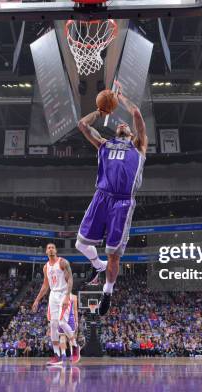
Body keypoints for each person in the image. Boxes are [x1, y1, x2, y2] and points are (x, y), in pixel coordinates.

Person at [75, 84, 148, 315]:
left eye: (126, 126)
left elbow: (136, 113)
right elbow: (83, 125)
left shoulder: (138, 145)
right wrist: (101, 110)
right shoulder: (104, 144)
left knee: (113, 254)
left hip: (123, 202)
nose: (123, 125)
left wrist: (120, 97)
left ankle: (107, 291)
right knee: (80, 243)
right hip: (101, 196)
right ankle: (97, 266)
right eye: (120, 125)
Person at [32, 243, 80, 366]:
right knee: (53, 324)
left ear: (56, 250)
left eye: (53, 247)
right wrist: (37, 300)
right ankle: (57, 355)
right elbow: (45, 285)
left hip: (64, 293)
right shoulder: (45, 267)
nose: (51, 249)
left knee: (62, 323)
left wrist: (67, 296)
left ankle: (75, 346)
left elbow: (70, 279)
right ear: (46, 252)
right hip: (53, 295)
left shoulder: (63, 262)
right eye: (48, 248)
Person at [58, 293, 79, 363]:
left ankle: (72, 354)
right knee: (62, 336)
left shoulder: (74, 297)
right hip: (61, 316)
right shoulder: (59, 295)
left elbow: (75, 310)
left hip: (70, 317)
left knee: (71, 337)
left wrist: (76, 321)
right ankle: (63, 354)